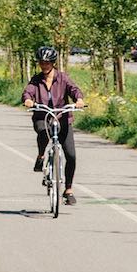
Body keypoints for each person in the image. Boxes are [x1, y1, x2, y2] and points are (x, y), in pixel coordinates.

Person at [23, 46, 85, 204]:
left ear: (53, 63)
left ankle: (68, 189)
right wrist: (28, 100)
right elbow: (28, 91)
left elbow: (74, 89)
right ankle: (41, 155)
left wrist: (78, 100)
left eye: (47, 63)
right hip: (42, 116)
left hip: (62, 118)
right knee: (43, 133)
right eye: (41, 63)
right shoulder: (36, 80)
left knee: (71, 155)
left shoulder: (63, 78)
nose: (44, 66)